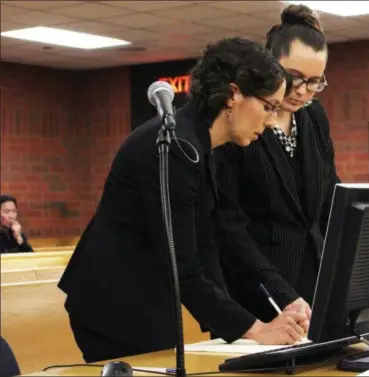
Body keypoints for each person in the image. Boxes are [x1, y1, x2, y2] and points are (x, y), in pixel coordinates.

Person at [58, 37, 306, 363]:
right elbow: (184, 268)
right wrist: (255, 329)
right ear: (233, 95)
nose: (272, 120)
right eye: (269, 106)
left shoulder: (203, 144)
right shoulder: (174, 147)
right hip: (114, 304)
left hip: (144, 298)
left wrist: (267, 309)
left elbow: (210, 242)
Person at [213, 5, 338, 330]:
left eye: (314, 82)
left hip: (313, 284)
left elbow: (330, 198)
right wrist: (280, 293)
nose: (301, 91)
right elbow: (228, 223)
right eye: (293, 77)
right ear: (269, 63)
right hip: (255, 292)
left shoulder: (314, 117)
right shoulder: (238, 118)